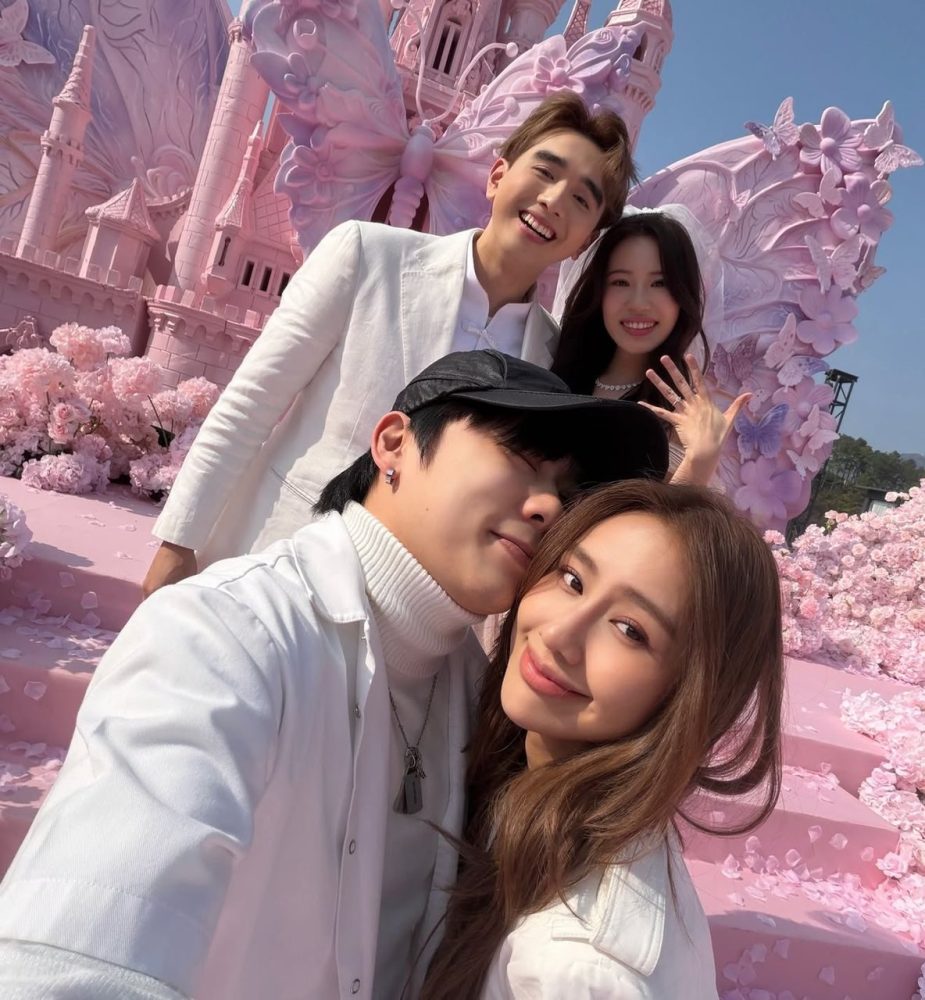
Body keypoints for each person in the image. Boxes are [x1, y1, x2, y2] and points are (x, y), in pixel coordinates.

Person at [0, 351, 669, 1000]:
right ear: (393, 444)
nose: (548, 506)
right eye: (522, 458)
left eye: (568, 492)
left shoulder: (483, 688)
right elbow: (78, 946)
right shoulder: (230, 634)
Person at [142, 92, 638, 596]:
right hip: (278, 558)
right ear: (497, 177)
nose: (554, 200)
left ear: (585, 240)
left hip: (415, 607)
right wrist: (178, 541)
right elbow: (252, 402)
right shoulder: (368, 255)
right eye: (545, 172)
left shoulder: (548, 358)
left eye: (582, 199)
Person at [422, 479, 784, 1000]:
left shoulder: (573, 971)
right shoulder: (535, 794)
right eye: (572, 579)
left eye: (630, 630)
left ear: (689, 693)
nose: (559, 635)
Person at [552, 209, 751, 486]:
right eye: (621, 282)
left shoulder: (682, 418)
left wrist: (700, 461)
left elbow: (666, 512)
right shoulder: (553, 370)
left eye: (659, 283)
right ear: (600, 290)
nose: (639, 303)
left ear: (682, 294)